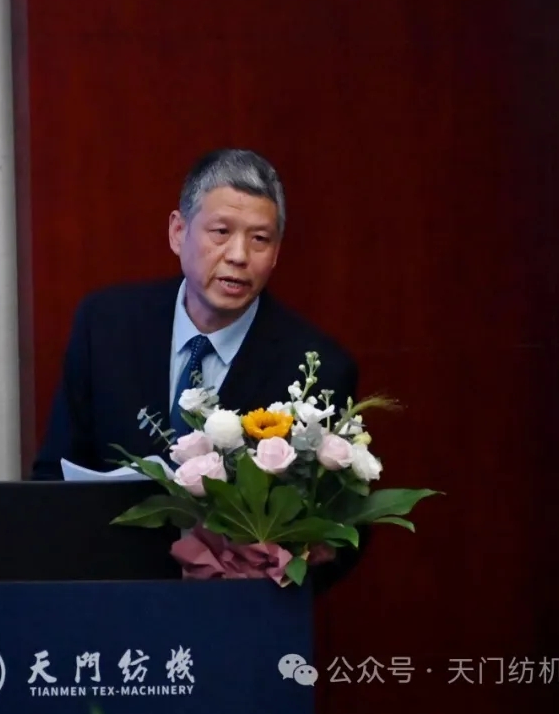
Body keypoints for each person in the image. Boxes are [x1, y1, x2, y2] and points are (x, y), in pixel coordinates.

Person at [30, 148, 368, 591]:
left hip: (240, 610)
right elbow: (53, 477)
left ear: (276, 253)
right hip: (112, 598)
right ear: (178, 232)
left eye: (260, 239)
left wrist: (286, 565)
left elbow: (343, 531)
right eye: (221, 232)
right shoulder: (106, 326)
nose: (239, 255)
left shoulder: (318, 367)